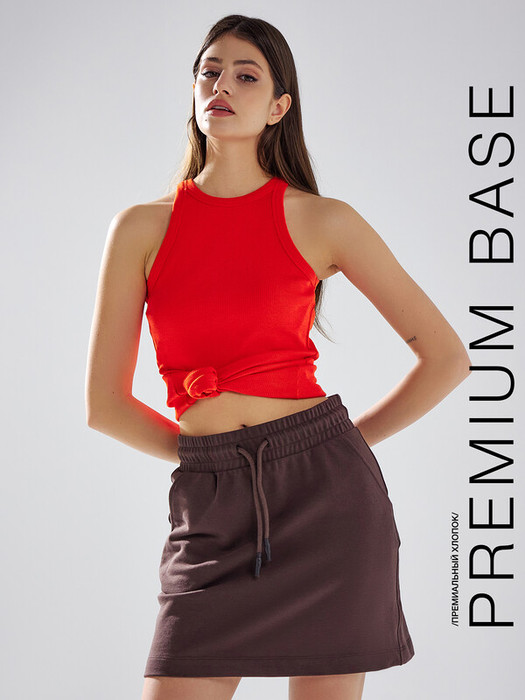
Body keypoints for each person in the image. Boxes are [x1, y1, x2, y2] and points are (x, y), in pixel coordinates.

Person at [85, 14, 471, 700]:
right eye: (209, 72)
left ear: (278, 106)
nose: (222, 86)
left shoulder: (323, 219)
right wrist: (211, 458)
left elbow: (445, 357)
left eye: (246, 75)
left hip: (329, 503)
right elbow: (105, 407)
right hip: (210, 507)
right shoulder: (141, 227)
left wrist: (338, 443)